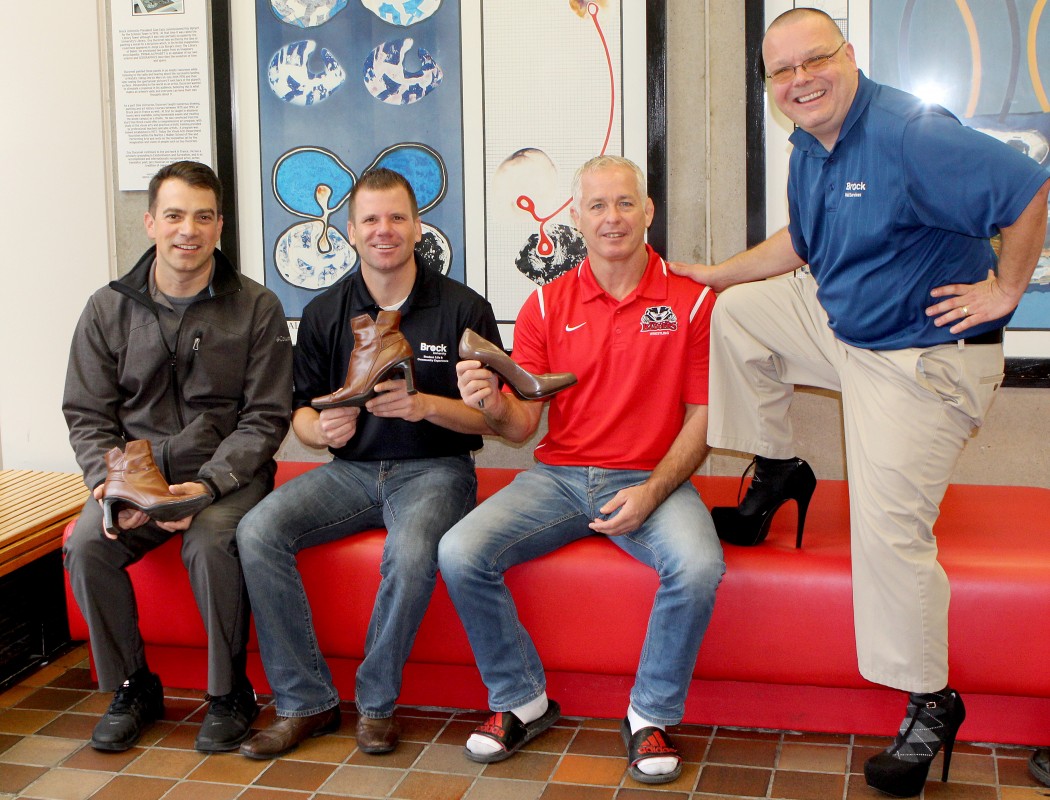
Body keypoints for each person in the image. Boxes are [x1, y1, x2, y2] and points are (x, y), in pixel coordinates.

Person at [669, 9, 1050, 798]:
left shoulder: (912, 130)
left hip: (921, 359)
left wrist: (1006, 289)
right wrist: (714, 276)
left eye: (815, 61)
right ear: (771, 85)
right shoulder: (809, 143)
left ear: (850, 57)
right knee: (740, 314)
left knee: (888, 530)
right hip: (850, 328)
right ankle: (778, 472)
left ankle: (931, 700)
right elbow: (799, 249)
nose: (800, 80)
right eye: (783, 71)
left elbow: (1029, 187)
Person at [439, 155, 724, 785]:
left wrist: (651, 493)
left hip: (653, 478)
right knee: (460, 550)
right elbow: (523, 427)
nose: (612, 218)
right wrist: (489, 402)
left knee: (699, 566)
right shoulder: (545, 303)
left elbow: (705, 419)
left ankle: (648, 714)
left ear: (648, 211)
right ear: (576, 218)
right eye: (596, 206)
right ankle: (521, 700)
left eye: (624, 203)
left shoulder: (694, 301)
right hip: (560, 479)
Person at [236, 168, 501, 759]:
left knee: (409, 553)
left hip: (436, 470)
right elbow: (300, 416)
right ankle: (307, 701)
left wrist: (426, 405)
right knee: (256, 530)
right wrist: (322, 426)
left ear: (417, 227)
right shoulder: (325, 312)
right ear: (351, 231)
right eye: (372, 220)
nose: (385, 231)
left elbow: (491, 421)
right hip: (350, 473)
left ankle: (376, 704)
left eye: (397, 218)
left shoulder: (463, 308)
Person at [62, 161, 293, 753]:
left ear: (220, 226)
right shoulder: (105, 308)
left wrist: (207, 487)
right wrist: (112, 486)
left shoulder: (257, 308)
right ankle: (133, 687)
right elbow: (88, 413)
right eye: (174, 215)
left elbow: (266, 417)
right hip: (134, 476)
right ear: (150, 223)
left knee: (211, 542)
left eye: (203, 216)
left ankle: (229, 693)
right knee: (87, 543)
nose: (187, 229)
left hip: (227, 474)